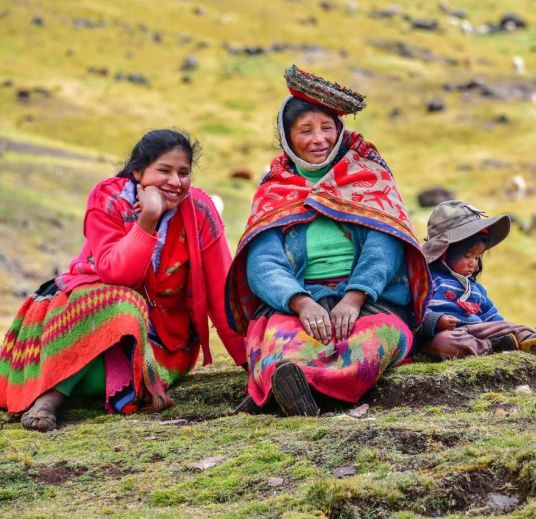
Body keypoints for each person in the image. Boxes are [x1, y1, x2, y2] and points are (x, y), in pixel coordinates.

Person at [0, 129, 246, 431]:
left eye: (184, 173)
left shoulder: (200, 211)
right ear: (138, 171)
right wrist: (148, 220)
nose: (176, 181)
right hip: (87, 323)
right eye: (164, 171)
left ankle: (57, 390)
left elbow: (223, 291)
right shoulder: (108, 200)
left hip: (163, 346)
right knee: (122, 301)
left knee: (118, 332)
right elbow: (117, 274)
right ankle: (48, 400)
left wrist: (251, 362)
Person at [225, 65, 430, 416]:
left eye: (327, 128)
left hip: (370, 302)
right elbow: (263, 262)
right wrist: (301, 303)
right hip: (296, 305)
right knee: (281, 344)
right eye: (305, 130)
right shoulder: (273, 190)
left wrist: (353, 299)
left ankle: (308, 390)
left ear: (340, 131)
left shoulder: (370, 177)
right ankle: (294, 383)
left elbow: (385, 248)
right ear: (287, 138)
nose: (318, 139)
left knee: (373, 341)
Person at [419, 200, 536, 359]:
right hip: (449, 333)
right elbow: (417, 313)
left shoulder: (476, 289)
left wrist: (502, 327)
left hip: (479, 329)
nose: (474, 263)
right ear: (444, 253)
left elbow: (491, 316)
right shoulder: (430, 280)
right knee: (443, 343)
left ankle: (534, 341)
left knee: (510, 326)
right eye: (467, 256)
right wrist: (437, 320)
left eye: (477, 257)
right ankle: (496, 347)